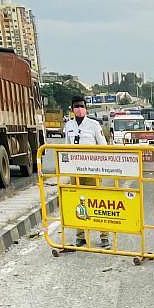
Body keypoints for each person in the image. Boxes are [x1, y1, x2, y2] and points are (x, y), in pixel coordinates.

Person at [63, 97, 109, 249]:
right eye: (76, 106)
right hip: (75, 171)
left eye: (81, 106)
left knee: (97, 202)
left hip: (92, 171)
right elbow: (66, 147)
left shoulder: (94, 125)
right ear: (72, 109)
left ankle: (104, 236)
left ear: (86, 108)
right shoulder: (68, 125)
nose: (79, 109)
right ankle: (80, 236)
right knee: (78, 203)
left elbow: (103, 146)